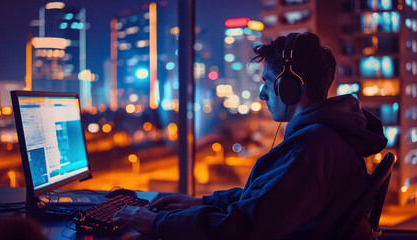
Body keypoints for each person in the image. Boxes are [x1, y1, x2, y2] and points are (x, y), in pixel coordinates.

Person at [112, 32, 387, 239]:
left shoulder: (309, 150)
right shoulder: (324, 138)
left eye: (267, 81)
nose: (262, 93)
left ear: (291, 88)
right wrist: (203, 201)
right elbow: (265, 198)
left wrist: (155, 223)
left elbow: (243, 227)